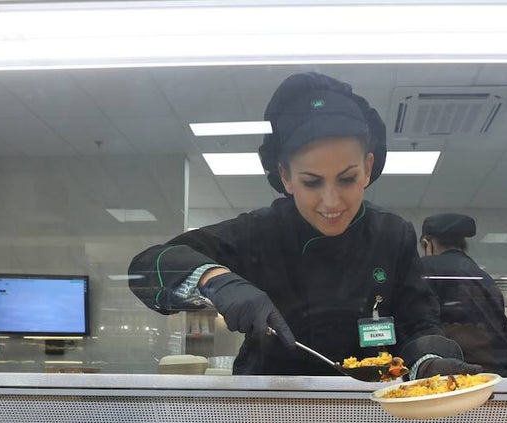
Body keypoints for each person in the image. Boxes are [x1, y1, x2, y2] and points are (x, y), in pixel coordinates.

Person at [127, 72, 481, 378]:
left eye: (347, 179)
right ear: (285, 176)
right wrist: (216, 281)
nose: (331, 201)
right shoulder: (261, 232)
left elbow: (418, 323)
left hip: (371, 404)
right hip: (271, 407)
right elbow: (148, 265)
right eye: (312, 182)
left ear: (368, 167)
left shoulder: (392, 235)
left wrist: (428, 362)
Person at [419, 213, 507, 376]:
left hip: (463, 374)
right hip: (501, 372)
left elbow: (417, 322)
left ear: (428, 243)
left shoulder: (426, 268)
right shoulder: (482, 276)